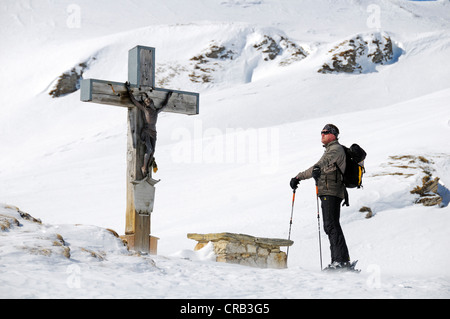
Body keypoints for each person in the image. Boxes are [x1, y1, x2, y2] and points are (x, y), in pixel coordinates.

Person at [290, 124, 352, 270]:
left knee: (331, 225)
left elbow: (320, 165)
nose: (322, 134)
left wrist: (305, 174)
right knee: (331, 225)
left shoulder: (335, 149)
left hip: (332, 191)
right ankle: (339, 261)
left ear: (333, 134)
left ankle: (340, 261)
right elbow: (317, 167)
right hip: (328, 191)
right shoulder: (330, 149)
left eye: (325, 132)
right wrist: (299, 177)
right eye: (321, 132)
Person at [125, 81, 172, 177]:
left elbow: (164, 105)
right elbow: (134, 101)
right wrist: (129, 90)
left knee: (153, 151)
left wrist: (168, 96)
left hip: (154, 132)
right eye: (147, 101)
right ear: (145, 104)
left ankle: (148, 166)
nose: (148, 101)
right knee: (149, 149)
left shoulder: (156, 111)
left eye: (150, 100)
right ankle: (144, 167)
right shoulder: (145, 109)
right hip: (146, 131)